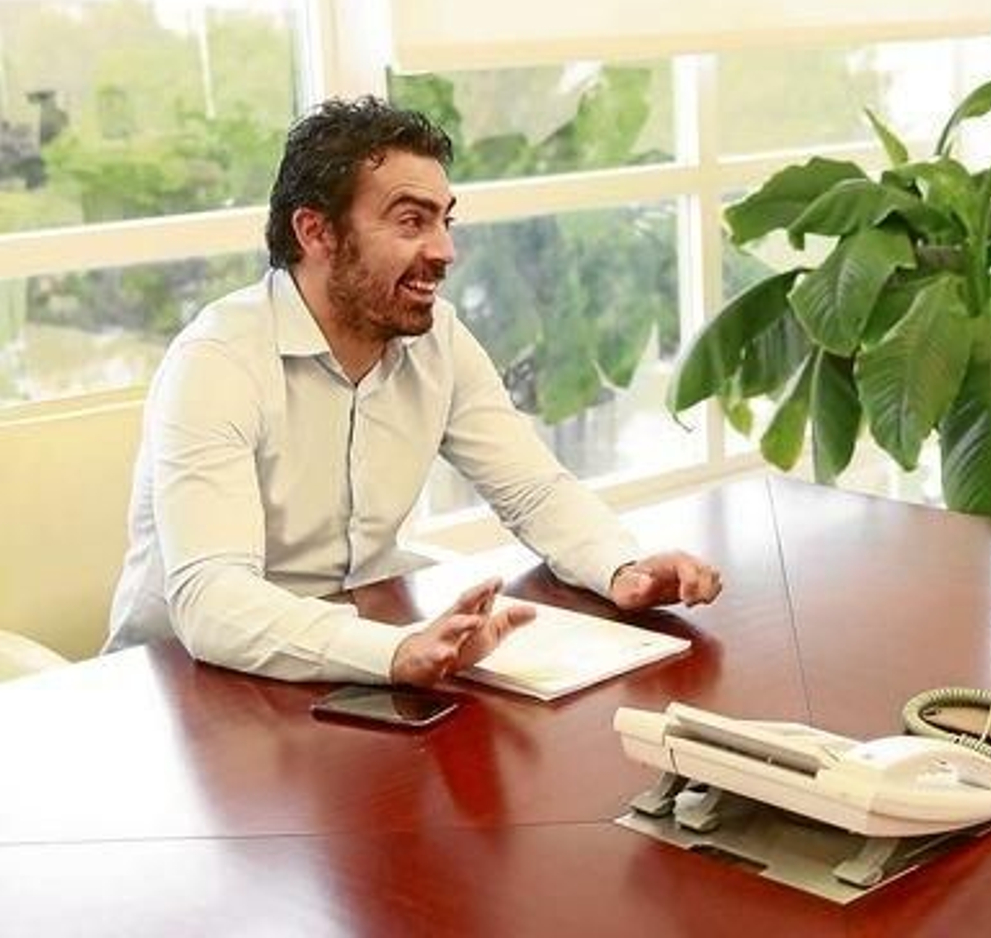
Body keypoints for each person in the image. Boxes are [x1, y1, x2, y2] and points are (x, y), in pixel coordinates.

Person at [105, 96, 722, 684]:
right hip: (182, 689)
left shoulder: (438, 339)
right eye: (411, 222)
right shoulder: (217, 362)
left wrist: (622, 568)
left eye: (444, 221)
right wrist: (393, 651)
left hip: (357, 668)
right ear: (316, 232)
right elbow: (213, 602)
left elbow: (532, 491)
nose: (445, 250)